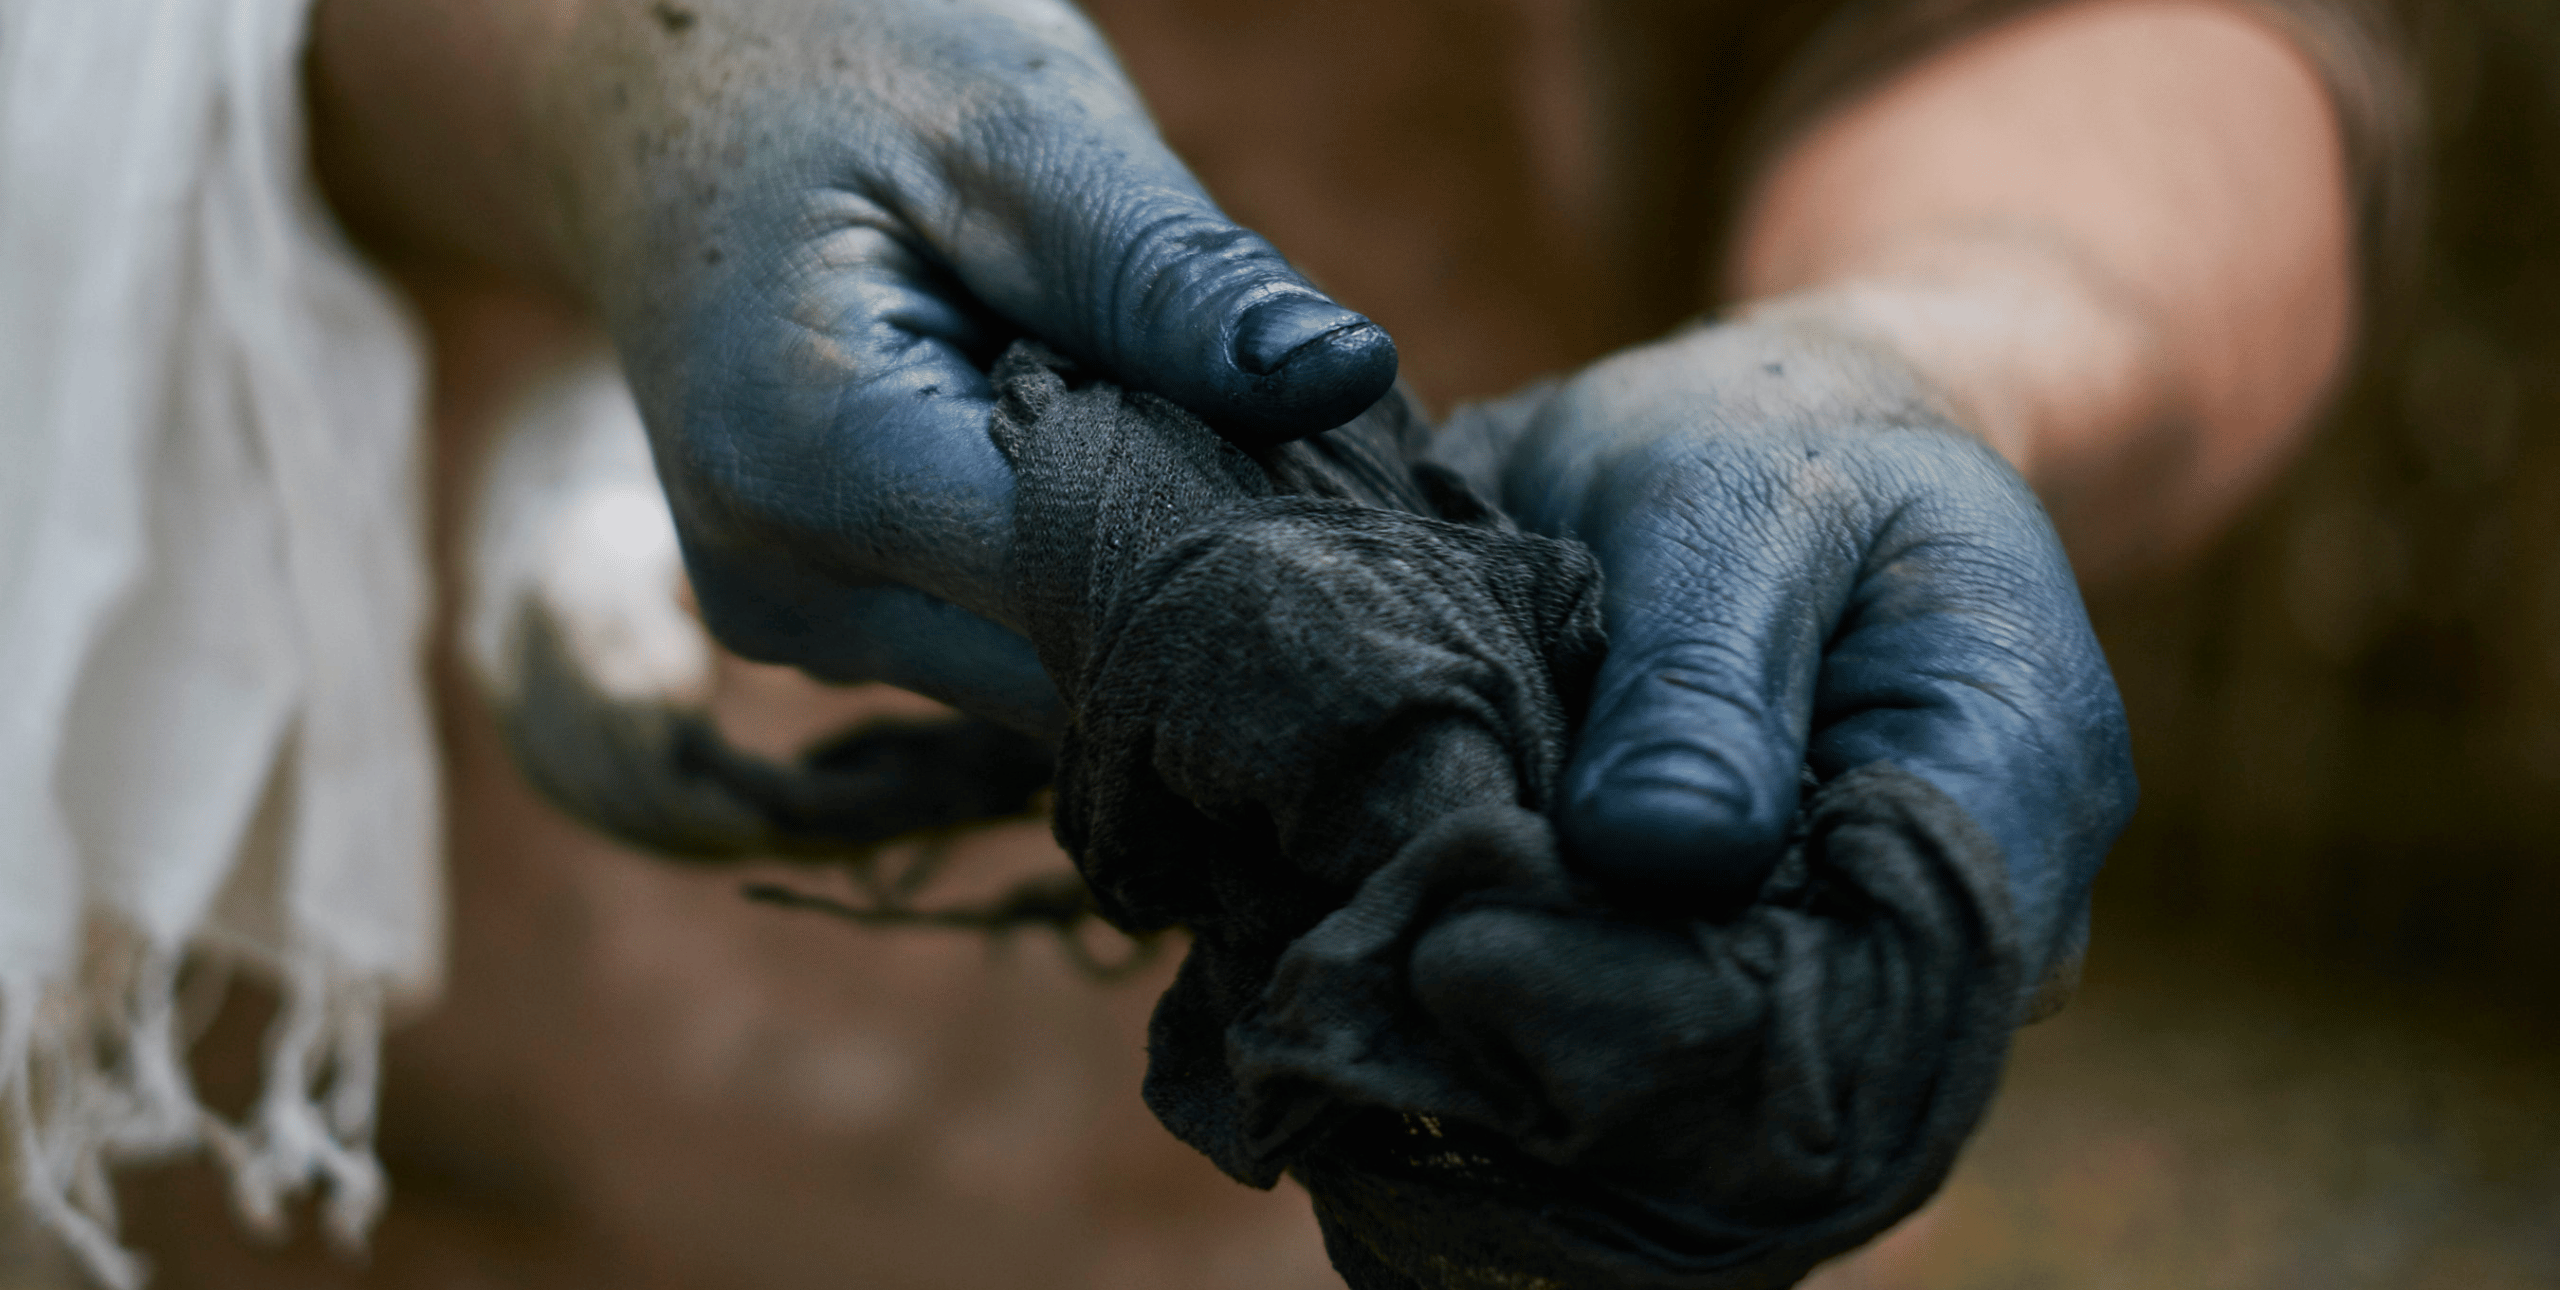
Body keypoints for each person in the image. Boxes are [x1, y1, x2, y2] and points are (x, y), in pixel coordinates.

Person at [5, 0, 2404, 1282]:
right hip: (384, 1138)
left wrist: (1939, 351)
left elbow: (2143, 34)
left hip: (1439, 1155)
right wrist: (598, 82)